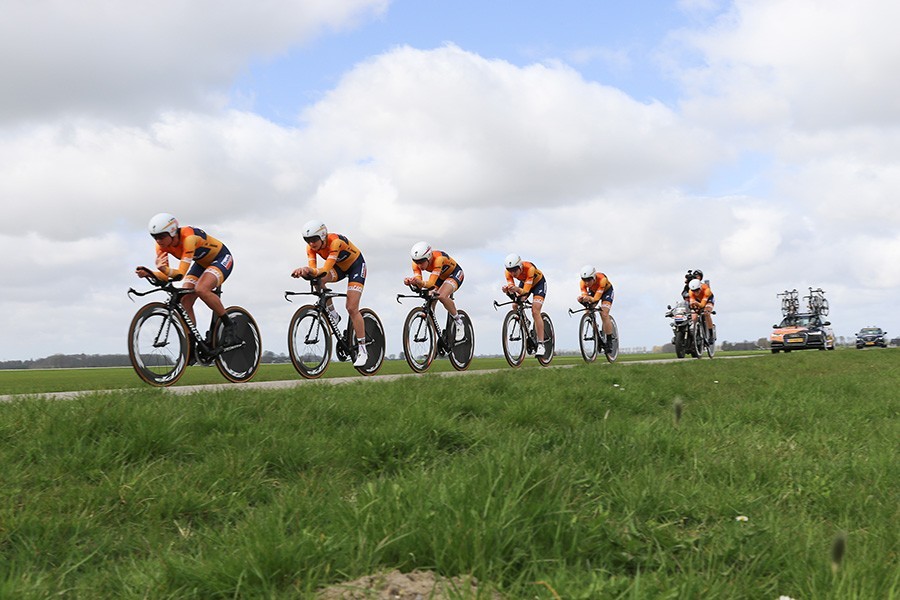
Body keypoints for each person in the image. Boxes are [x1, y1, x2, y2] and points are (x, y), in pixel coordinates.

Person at [135, 212, 237, 347]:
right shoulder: (161, 246)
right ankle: (193, 344)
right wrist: (149, 274)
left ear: (172, 232)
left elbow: (179, 274)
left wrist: (163, 269)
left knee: (201, 289)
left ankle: (229, 325)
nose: (158, 240)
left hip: (221, 258)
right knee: (185, 300)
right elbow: (166, 277)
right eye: (154, 237)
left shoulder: (188, 238)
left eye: (161, 236)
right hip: (201, 263)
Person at [291, 220, 369, 367]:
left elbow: (325, 269)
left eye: (314, 239)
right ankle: (333, 314)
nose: (311, 243)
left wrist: (307, 270)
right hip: (339, 267)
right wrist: (305, 272)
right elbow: (313, 270)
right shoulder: (310, 248)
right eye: (307, 240)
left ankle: (363, 350)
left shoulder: (335, 243)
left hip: (356, 267)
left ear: (322, 236)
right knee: (317, 281)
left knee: (352, 308)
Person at [403, 242, 466, 341]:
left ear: (428, 257)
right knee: (430, 300)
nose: (419, 265)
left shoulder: (438, 260)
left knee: (441, 296)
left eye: (422, 262)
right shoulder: (416, 264)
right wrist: (413, 282)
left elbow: (431, 283)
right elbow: (420, 282)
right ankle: (435, 344)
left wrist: (419, 282)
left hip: (454, 274)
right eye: (416, 262)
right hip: (440, 277)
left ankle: (459, 321)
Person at [502, 253, 548, 356]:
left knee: (535, 311)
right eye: (510, 270)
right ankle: (526, 321)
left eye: (515, 270)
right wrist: (508, 291)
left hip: (538, 284)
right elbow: (514, 292)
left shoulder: (530, 268)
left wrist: (517, 289)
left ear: (520, 266)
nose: (513, 273)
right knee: (515, 305)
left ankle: (541, 344)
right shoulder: (508, 272)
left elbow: (526, 291)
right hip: (525, 282)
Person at [577, 265, 616, 348]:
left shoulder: (602, 280)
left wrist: (588, 299)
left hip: (606, 292)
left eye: (589, 279)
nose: (586, 283)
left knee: (604, 314)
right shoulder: (582, 283)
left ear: (594, 277)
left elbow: (595, 299)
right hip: (594, 292)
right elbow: (585, 296)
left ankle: (609, 340)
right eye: (584, 280)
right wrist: (582, 300)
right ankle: (596, 331)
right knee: (588, 311)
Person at [687, 277, 716, 343]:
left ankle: (711, 335)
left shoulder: (706, 290)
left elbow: (702, 305)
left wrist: (697, 303)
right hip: (698, 300)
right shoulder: (691, 292)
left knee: (706, 313)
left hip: (708, 299)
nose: (696, 292)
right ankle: (696, 333)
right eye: (694, 291)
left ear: (700, 287)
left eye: (697, 290)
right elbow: (692, 304)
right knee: (694, 316)